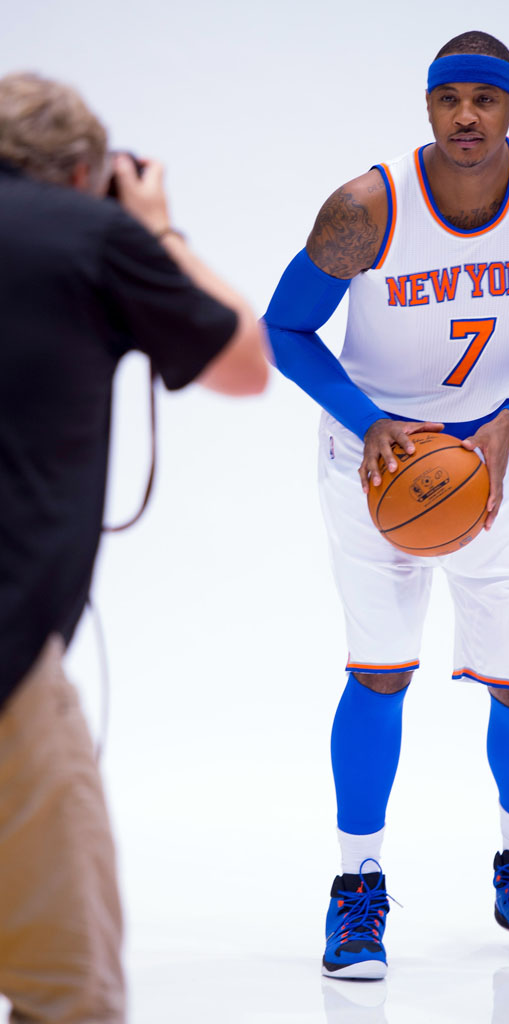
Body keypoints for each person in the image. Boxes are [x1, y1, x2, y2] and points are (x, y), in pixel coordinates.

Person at [265, 30, 509, 978]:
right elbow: (285, 328)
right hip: (378, 462)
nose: (467, 115)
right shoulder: (367, 206)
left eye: (485, 99)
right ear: (427, 108)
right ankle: (356, 891)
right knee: (379, 672)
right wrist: (366, 417)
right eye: (449, 98)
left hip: (498, 459)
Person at [0, 72, 268, 1022]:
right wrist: (154, 225)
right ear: (84, 171)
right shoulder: (89, 236)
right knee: (65, 992)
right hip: (8, 664)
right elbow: (245, 362)